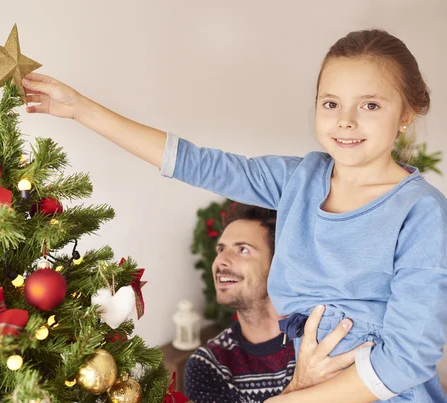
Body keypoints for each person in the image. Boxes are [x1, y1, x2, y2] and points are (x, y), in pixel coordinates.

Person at [22, 29, 447, 402]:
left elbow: (409, 360)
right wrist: (80, 109)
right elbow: (197, 162)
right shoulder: (301, 179)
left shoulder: (420, 211)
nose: (346, 121)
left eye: (370, 106)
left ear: (406, 114)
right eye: (330, 103)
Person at [184, 203, 370, 402]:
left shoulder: (325, 335)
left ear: (279, 265)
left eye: (242, 250)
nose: (221, 261)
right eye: (221, 249)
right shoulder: (208, 366)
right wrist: (300, 386)